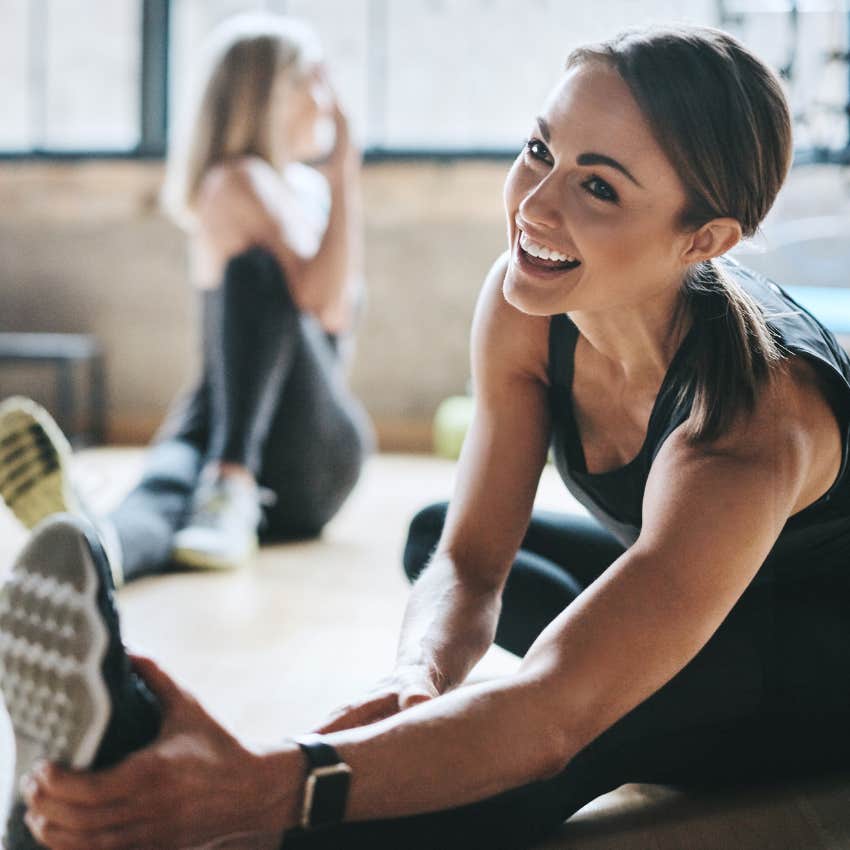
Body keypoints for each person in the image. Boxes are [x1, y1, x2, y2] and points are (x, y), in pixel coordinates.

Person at [10, 23, 850, 850]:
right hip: (711, 587)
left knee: (559, 732)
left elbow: (551, 713)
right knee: (434, 540)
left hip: (818, 667)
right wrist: (420, 673)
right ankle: (139, 789)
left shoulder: (750, 428)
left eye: (599, 188)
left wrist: (260, 786)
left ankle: (163, 813)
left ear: (704, 240)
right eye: (539, 150)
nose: (535, 203)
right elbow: (471, 560)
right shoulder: (534, 305)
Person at [0, 13, 373, 580]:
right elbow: (326, 303)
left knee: (182, 458)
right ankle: (95, 548)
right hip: (236, 439)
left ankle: (227, 481)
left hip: (306, 452)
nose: (326, 99)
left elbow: (328, 310)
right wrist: (346, 161)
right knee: (161, 492)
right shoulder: (240, 179)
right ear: (272, 93)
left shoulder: (296, 189)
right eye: (313, 79)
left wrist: (340, 172)